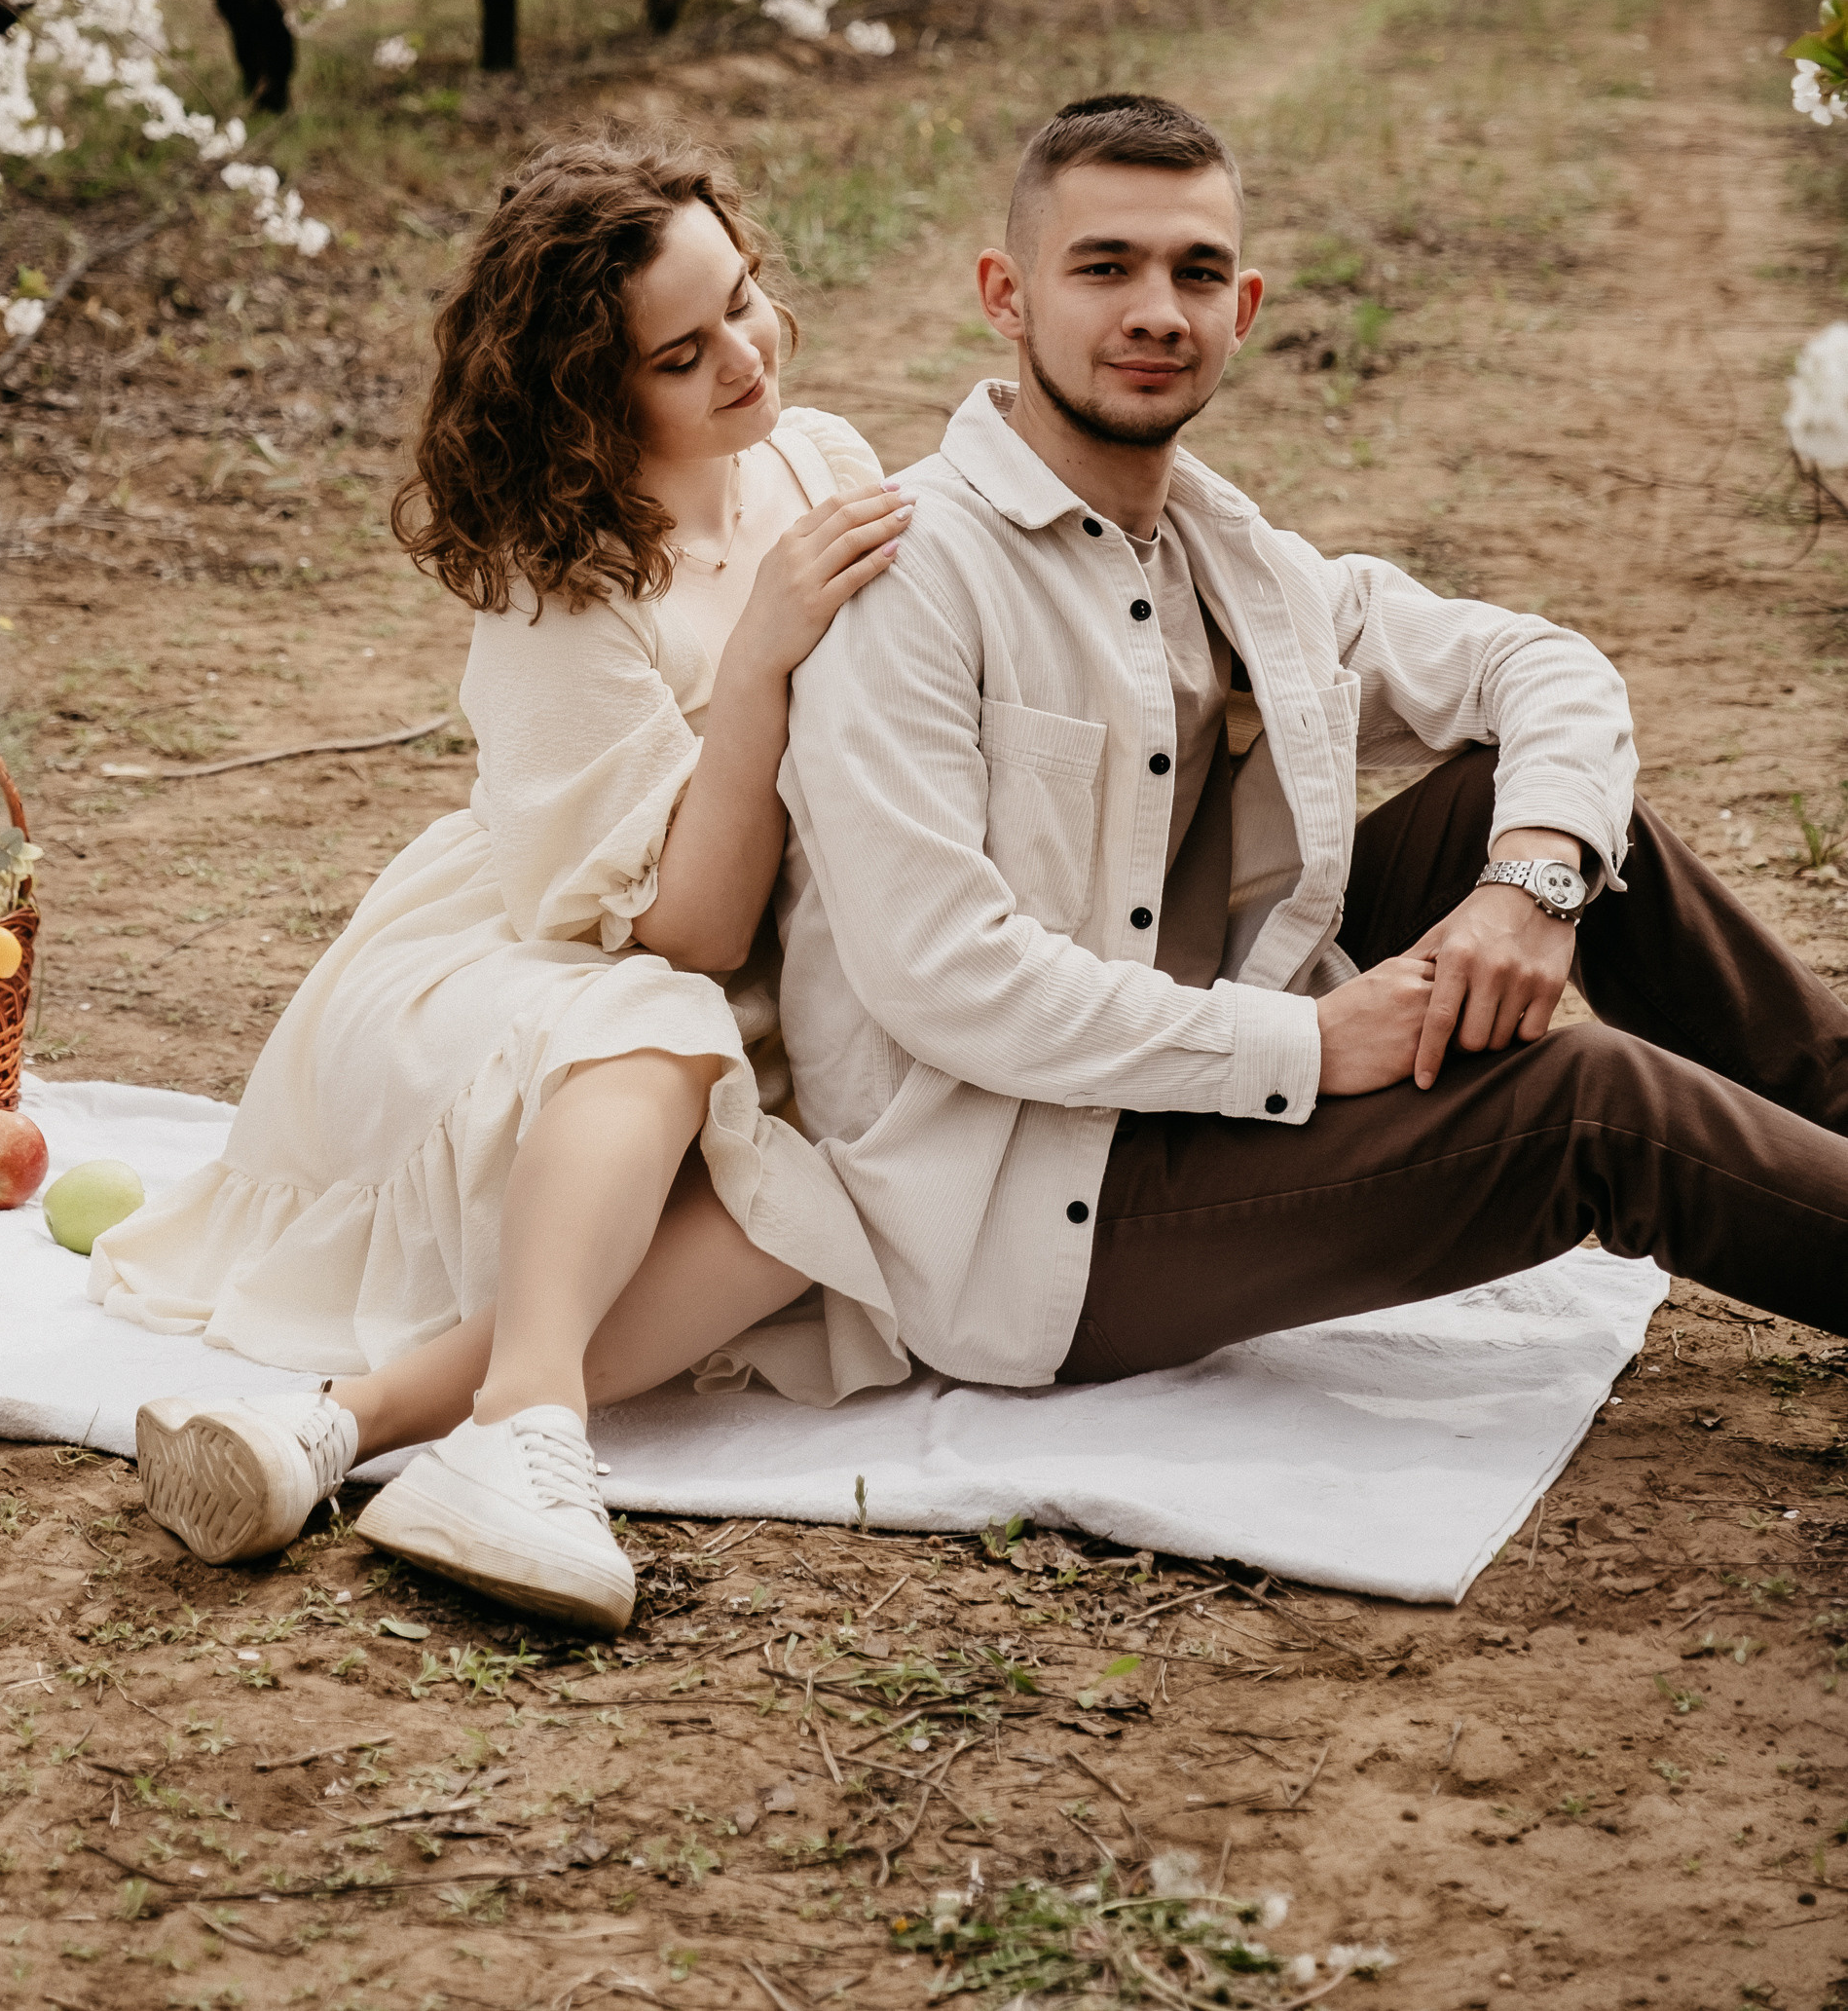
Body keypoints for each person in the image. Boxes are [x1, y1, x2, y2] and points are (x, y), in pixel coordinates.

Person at [777, 92, 1848, 1388]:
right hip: (1042, 1208)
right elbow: (943, 975)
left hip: (1212, 1056)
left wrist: (1534, 877)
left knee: (1528, 818)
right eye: (1103, 268)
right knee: (1588, 1106)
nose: (1157, 312)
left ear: (1246, 306)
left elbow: (1539, 662)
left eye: (1197, 272)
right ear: (1006, 294)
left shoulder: (1234, 560)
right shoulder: (915, 575)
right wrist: (1309, 1049)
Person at [96, 135, 910, 1626]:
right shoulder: (565, 601)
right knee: (658, 1027)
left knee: (810, 1216)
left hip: (761, 966)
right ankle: (536, 1430)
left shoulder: (820, 462)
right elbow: (686, 927)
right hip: (538, 953)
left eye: (744, 299)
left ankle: (340, 1429)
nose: (743, 354)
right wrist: (760, 660)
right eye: (682, 354)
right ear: (595, 405)